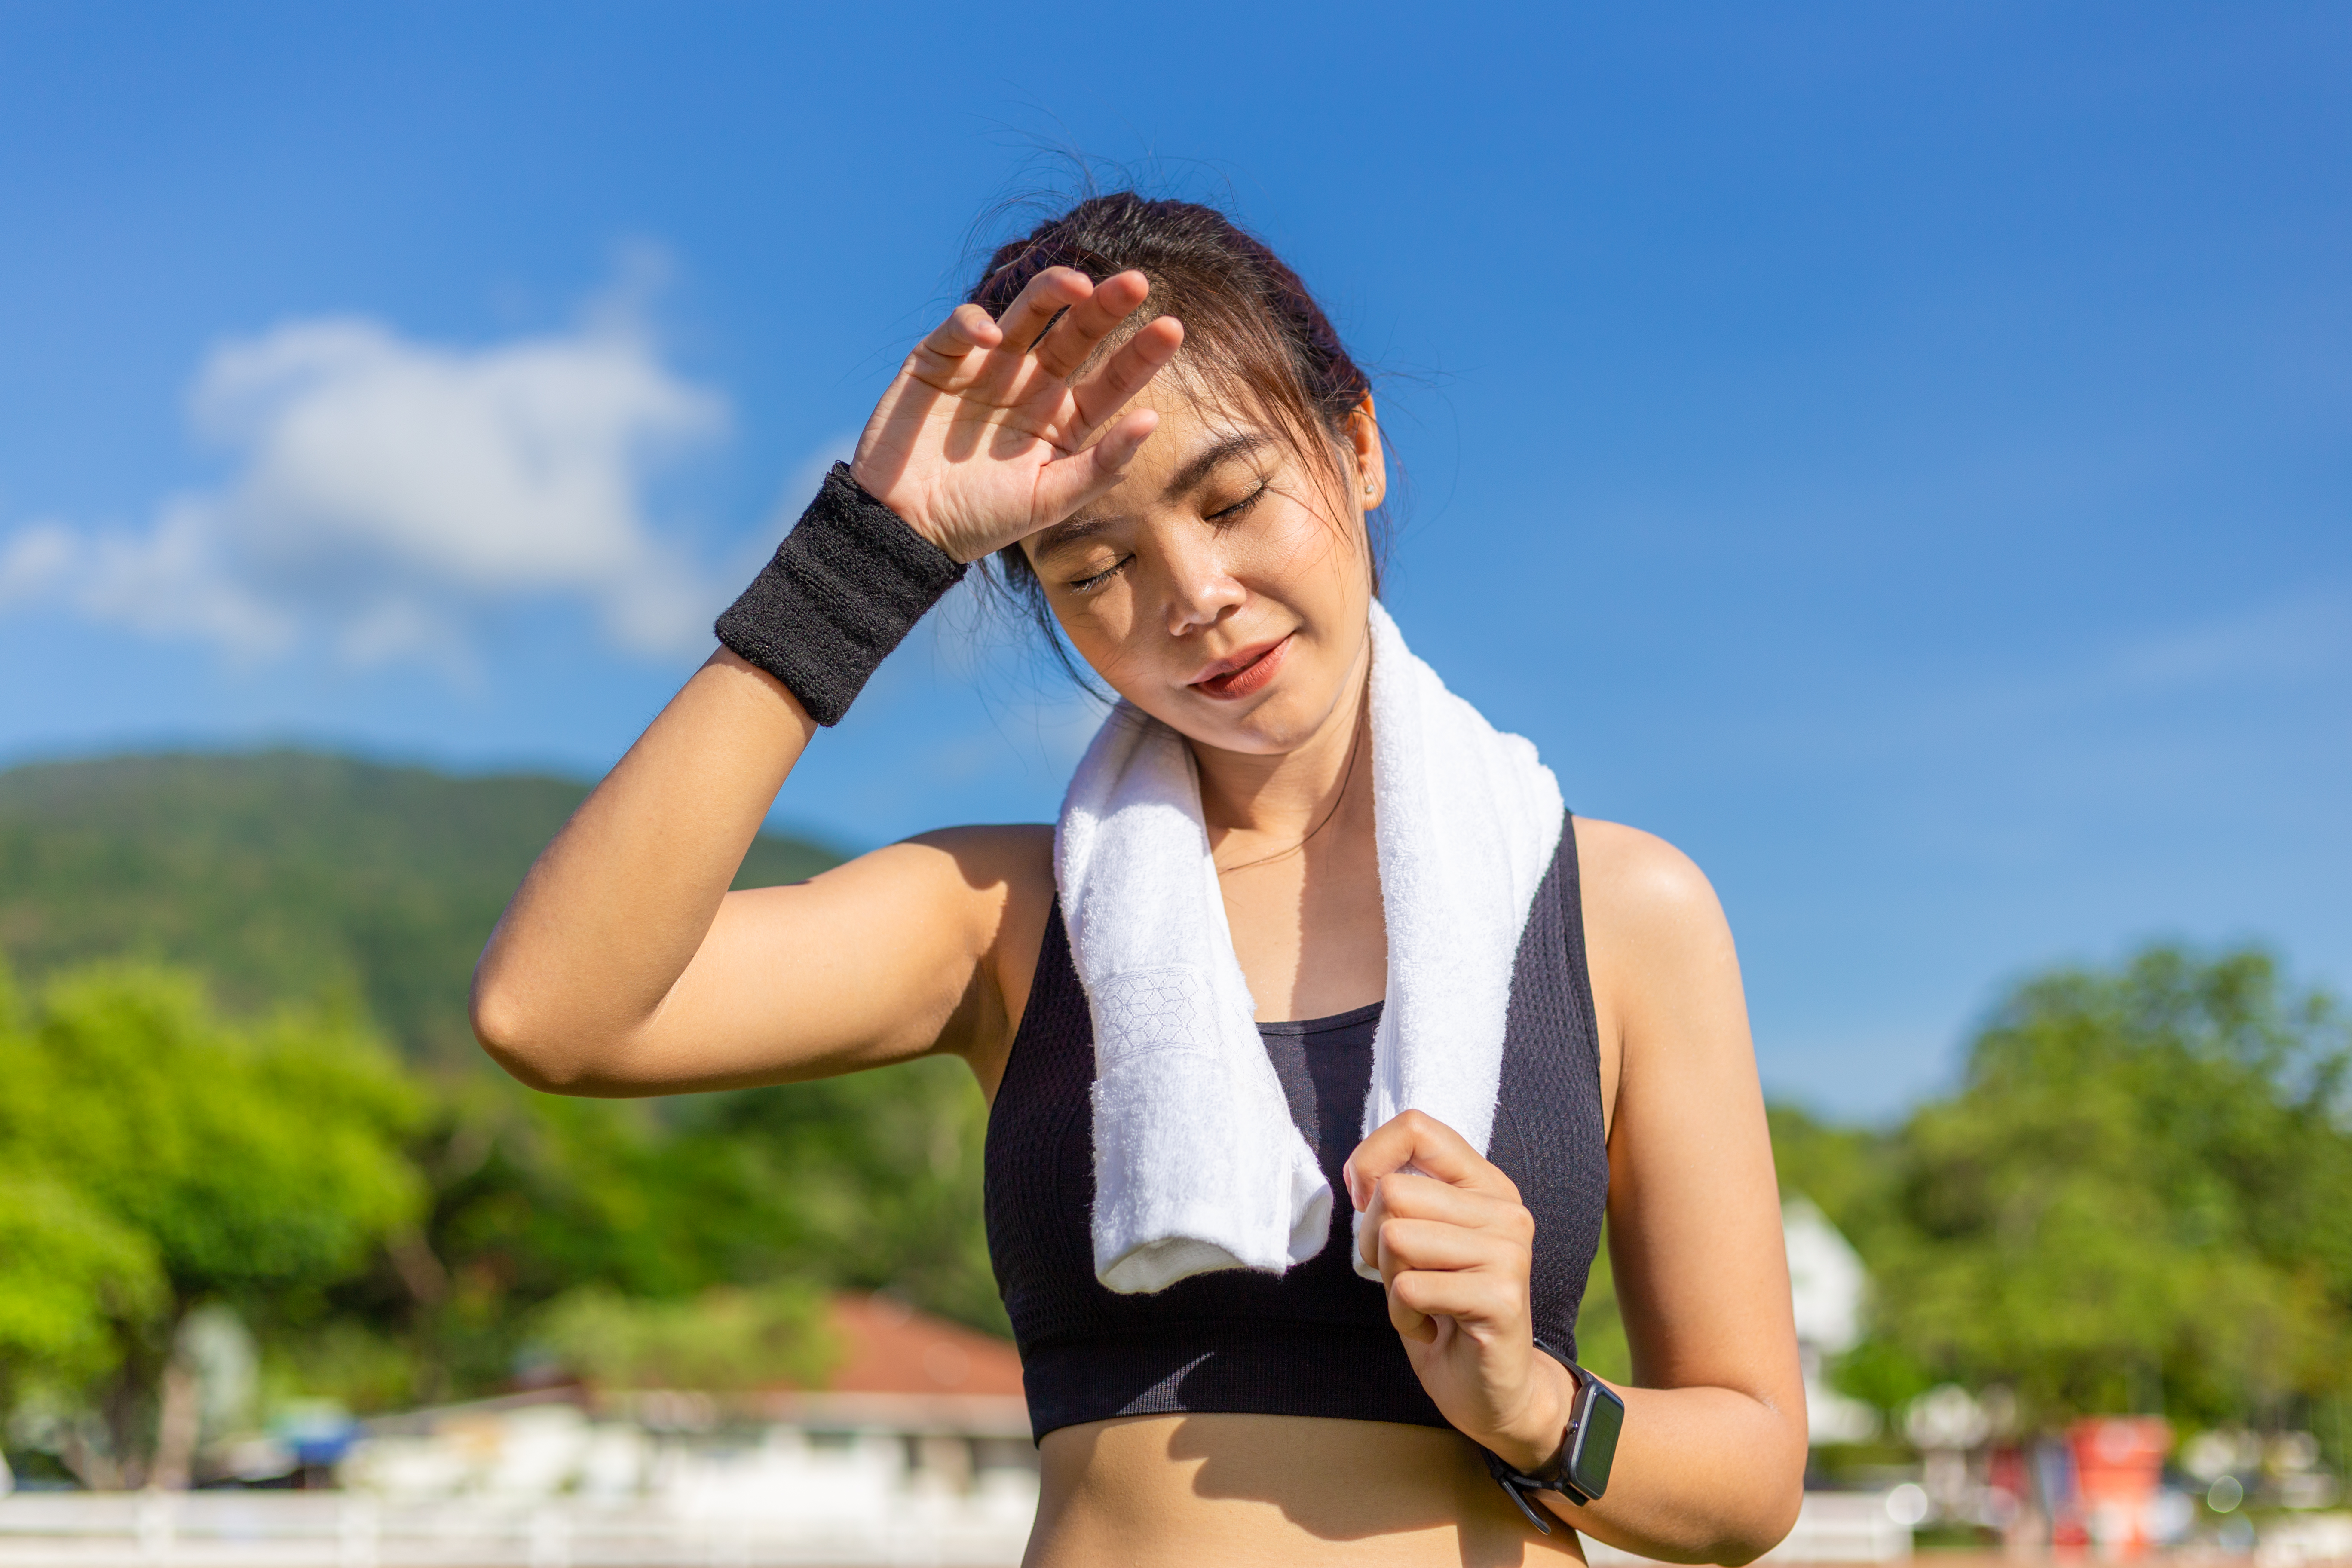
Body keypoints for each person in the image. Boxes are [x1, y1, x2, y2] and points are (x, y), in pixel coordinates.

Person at [472, 192, 1806, 1566]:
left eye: (1232, 499)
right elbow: (553, 1012)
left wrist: (1534, 1405)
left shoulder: (1617, 911)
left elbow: (1754, 1474)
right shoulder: (1006, 916)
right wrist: (862, 552)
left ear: (1356, 446)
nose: (1194, 593)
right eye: (1094, 565)